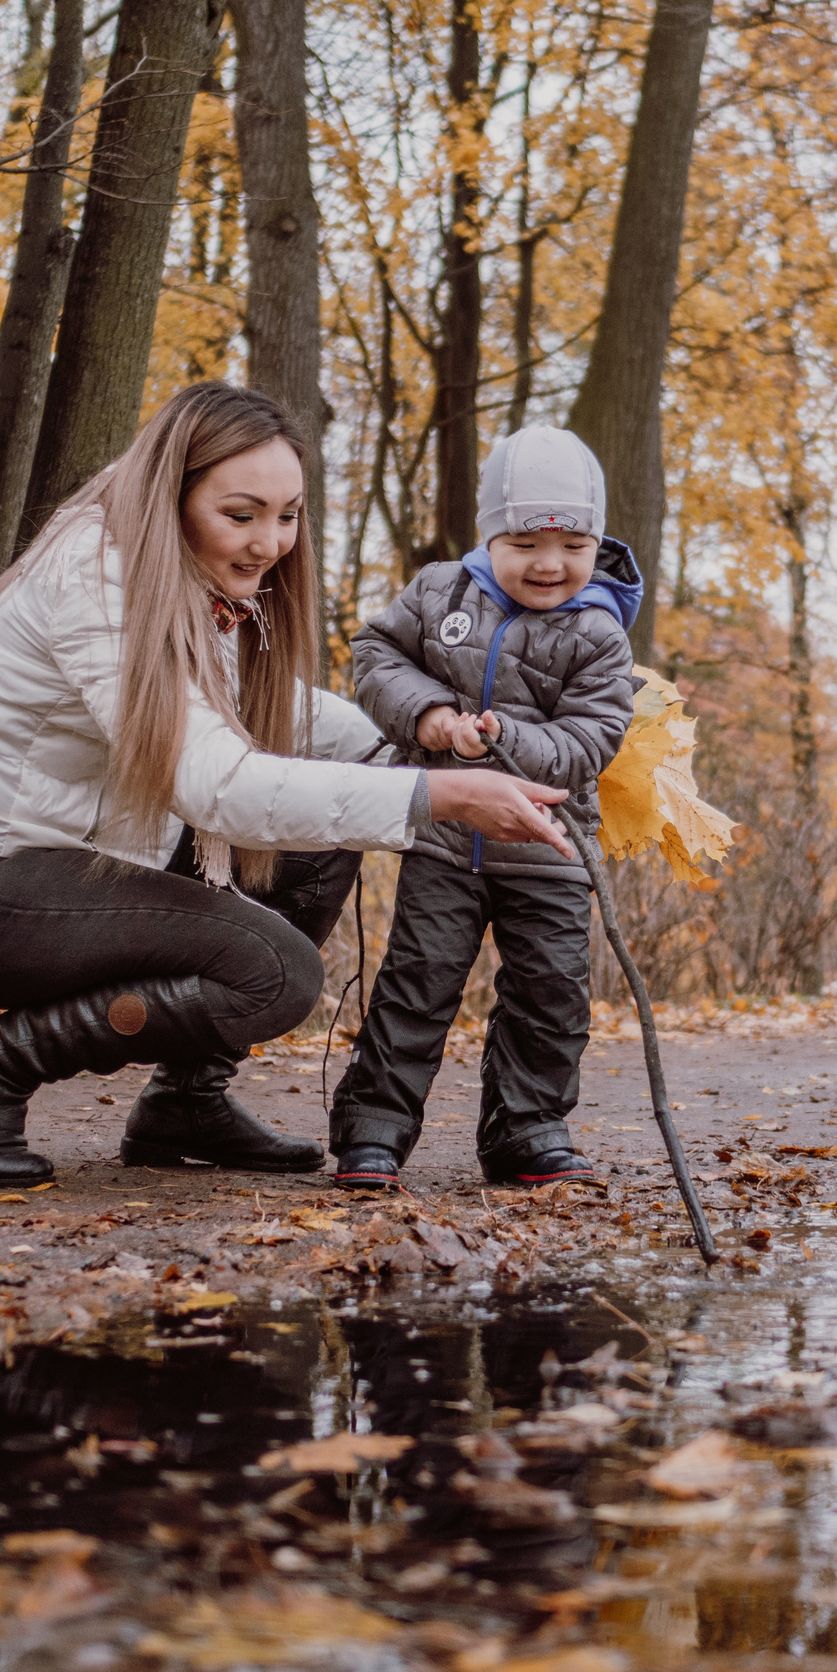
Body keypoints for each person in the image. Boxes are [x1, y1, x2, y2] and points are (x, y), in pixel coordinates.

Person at [0, 382, 576, 1189]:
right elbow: (214, 784)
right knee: (276, 973)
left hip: (73, 857)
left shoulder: (190, 572)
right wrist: (435, 799)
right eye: (240, 514)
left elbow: (262, 711)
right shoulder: (98, 576)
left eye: (288, 515)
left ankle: (184, 1101)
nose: (269, 542)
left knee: (320, 844)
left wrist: (424, 745)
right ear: (172, 492)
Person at [326, 425, 641, 1190]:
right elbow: (375, 656)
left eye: (573, 544)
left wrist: (506, 739)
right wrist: (434, 719)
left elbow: (590, 739)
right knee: (417, 982)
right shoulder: (441, 593)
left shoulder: (599, 633)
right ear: (491, 536)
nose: (550, 563)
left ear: (597, 542)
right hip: (446, 840)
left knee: (550, 995)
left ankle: (526, 1130)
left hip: (549, 851)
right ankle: (374, 1130)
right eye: (526, 542)